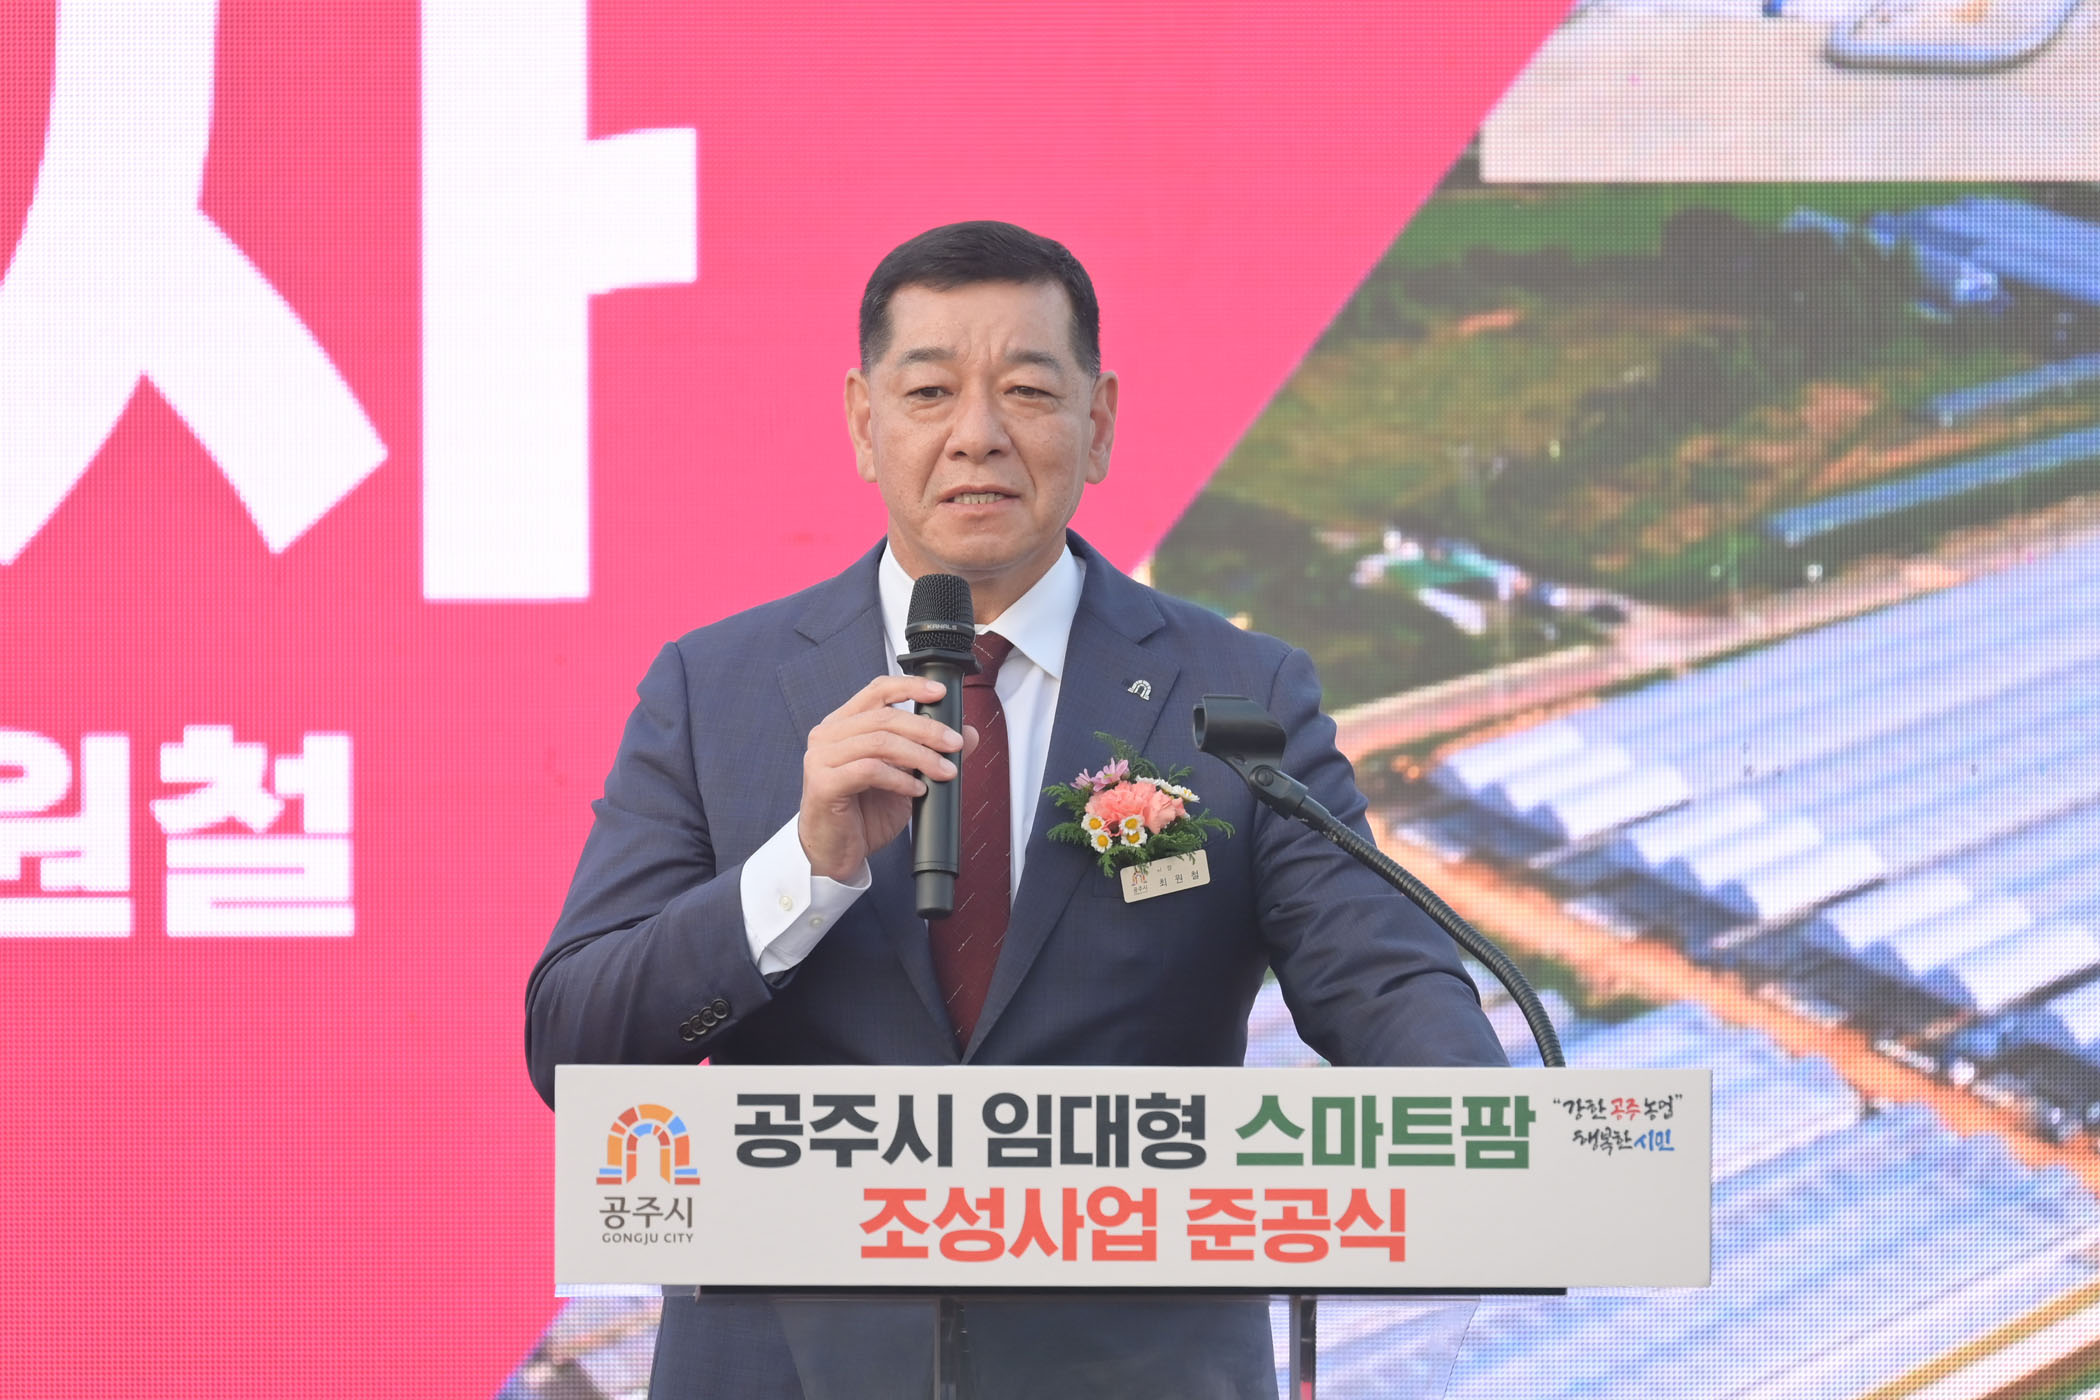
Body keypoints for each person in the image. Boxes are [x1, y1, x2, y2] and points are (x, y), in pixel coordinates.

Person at [526, 221, 1508, 1400]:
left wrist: (1482, 1134)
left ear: (1099, 423)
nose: (978, 433)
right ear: (864, 422)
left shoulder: (1237, 694)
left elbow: (1385, 980)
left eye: (1028, 390)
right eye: (929, 391)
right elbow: (575, 1041)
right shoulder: (714, 688)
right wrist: (804, 868)